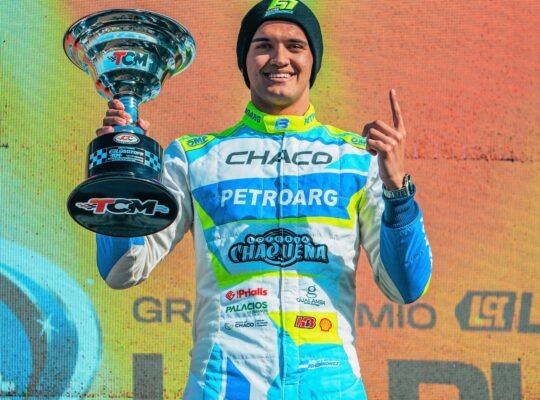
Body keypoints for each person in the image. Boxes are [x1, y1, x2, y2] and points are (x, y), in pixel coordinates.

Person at [96, 1, 432, 399]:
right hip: (224, 385)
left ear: (313, 60)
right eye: (263, 46)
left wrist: (397, 190)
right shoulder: (194, 157)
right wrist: (122, 172)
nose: (279, 58)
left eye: (295, 45)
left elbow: (406, 287)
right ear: (245, 60)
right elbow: (121, 270)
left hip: (329, 387)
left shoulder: (358, 158)